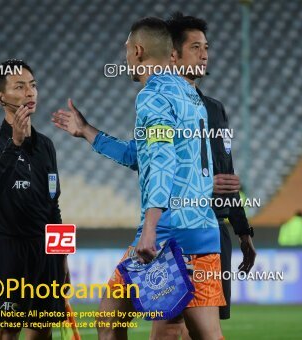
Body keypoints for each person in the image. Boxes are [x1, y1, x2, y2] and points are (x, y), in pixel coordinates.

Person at [53, 13, 257, 338]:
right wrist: (88, 132)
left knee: (109, 320)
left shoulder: (153, 96)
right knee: (207, 333)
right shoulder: (192, 97)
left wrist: (149, 231)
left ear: (137, 51)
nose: (125, 59)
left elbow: (161, 162)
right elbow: (142, 155)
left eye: (125, 50)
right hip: (202, 233)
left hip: (167, 233)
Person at [0, 59, 68, 340]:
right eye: (20, 86)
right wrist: (14, 143)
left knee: (42, 333)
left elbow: (53, 205)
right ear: (0, 97)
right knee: (7, 334)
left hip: (45, 253)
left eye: (33, 85)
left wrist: (62, 261)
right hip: (8, 251)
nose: (30, 92)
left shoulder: (46, 146)